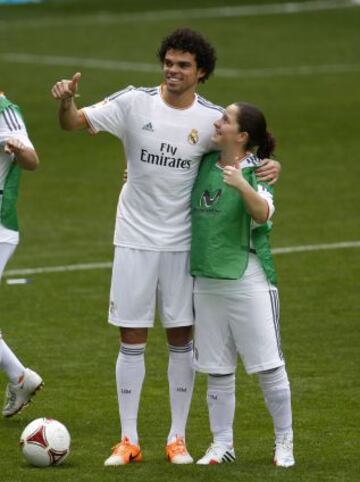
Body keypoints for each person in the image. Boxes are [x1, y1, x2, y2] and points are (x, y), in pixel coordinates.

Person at [51, 28, 281, 465]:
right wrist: (66, 100)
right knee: (131, 336)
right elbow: (73, 123)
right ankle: (128, 439)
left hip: (181, 245)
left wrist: (271, 163)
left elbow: (244, 144)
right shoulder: (134, 103)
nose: (173, 71)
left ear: (202, 72)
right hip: (134, 239)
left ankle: (177, 438)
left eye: (183, 66)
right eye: (169, 63)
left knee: (181, 338)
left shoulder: (210, 120)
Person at [190, 102, 294, 467]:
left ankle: (284, 442)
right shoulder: (203, 162)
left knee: (268, 365)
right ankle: (222, 445)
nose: (216, 123)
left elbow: (264, 214)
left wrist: (240, 185)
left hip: (247, 277)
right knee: (216, 368)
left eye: (225, 120)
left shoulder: (257, 173)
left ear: (243, 136)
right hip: (206, 278)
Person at [0, 91, 43, 417]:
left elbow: (32, 160)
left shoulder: (5, 111)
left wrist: (19, 150)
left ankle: (20, 376)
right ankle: (20, 377)